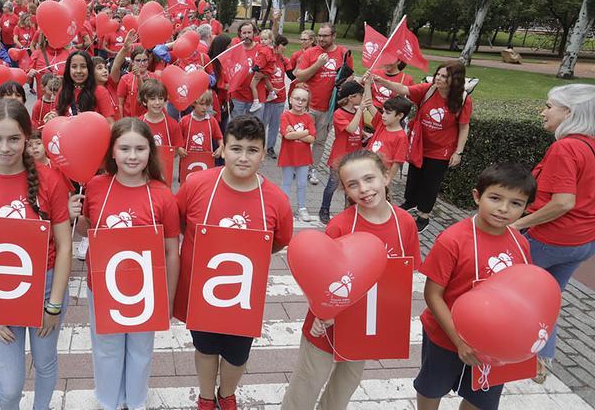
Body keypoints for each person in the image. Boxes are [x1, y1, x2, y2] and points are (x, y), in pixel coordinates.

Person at [0, 99, 72, 410]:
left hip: (46, 287)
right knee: (9, 388)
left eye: (13, 139)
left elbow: (63, 244)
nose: (4, 147)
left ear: (27, 139)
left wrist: (55, 304)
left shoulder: (50, 180)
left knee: (46, 363)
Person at [282, 150, 420, 410]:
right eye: (353, 184)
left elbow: (405, 276)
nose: (364, 189)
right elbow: (319, 277)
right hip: (325, 327)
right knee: (306, 385)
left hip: (365, 327)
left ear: (386, 177)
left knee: (344, 388)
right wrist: (324, 315)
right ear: (345, 190)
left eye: (369, 179)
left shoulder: (405, 224)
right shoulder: (340, 226)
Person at [174, 116, 294, 410]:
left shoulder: (276, 200)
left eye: (252, 150)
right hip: (201, 289)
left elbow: (278, 242)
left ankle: (226, 393)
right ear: (222, 149)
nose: (243, 157)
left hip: (243, 295)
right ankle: (205, 395)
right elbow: (180, 224)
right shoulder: (197, 185)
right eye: (235, 148)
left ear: (264, 153)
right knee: (204, 348)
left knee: (237, 354)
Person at [67, 117, 181, 410]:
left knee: (141, 348)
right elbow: (86, 231)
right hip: (103, 285)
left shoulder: (162, 194)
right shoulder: (95, 186)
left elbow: (171, 250)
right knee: (107, 347)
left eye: (140, 149)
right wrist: (75, 218)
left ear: (150, 152)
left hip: (146, 288)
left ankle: (137, 399)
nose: (132, 156)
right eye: (125, 148)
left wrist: (168, 297)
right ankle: (108, 400)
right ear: (112, 152)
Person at [415, 163, 536, 410]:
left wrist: (531, 347)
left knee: (482, 396)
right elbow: (433, 294)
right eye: (495, 198)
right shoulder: (453, 240)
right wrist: (459, 340)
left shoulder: (520, 244)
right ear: (477, 196)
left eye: (516, 203)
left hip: (494, 344)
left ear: (525, 208)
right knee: (432, 387)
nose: (503, 209)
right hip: (445, 337)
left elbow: (524, 295)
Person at [511, 84, 595, 383]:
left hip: (551, 239)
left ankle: (512, 349)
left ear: (569, 113)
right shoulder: (591, 145)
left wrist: (517, 225)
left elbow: (563, 202)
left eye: (549, 106)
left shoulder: (566, 147)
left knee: (514, 291)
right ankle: (541, 356)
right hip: (582, 242)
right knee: (549, 297)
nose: (543, 111)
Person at [374, 61, 472, 232]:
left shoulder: (462, 100)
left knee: (430, 183)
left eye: (444, 76)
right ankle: (410, 201)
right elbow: (404, 89)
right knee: (414, 176)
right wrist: (382, 81)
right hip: (419, 143)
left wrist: (459, 152)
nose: (438, 79)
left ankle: (424, 215)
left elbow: (464, 126)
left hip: (441, 149)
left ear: (454, 80)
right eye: (438, 74)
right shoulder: (428, 89)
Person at [292, 23, 353, 185]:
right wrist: (318, 65)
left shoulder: (343, 53)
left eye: (325, 36)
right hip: (308, 105)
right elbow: (301, 76)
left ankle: (312, 169)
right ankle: (298, 167)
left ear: (333, 36)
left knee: (320, 141)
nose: (321, 39)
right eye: (319, 35)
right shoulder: (311, 53)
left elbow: (349, 79)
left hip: (329, 107)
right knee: (301, 138)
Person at [318, 80, 369, 225]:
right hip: (340, 157)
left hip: (355, 157)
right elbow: (350, 129)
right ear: (352, 97)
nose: (362, 98)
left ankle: (348, 211)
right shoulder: (339, 113)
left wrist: (364, 134)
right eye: (360, 95)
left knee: (351, 187)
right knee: (332, 185)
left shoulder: (357, 112)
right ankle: (324, 209)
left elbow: (357, 129)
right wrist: (360, 111)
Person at [278, 87, 316, 222]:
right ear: (291, 99)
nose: (300, 102)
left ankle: (302, 207)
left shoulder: (308, 118)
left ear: (307, 103)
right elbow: (287, 136)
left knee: (302, 183)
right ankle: (284, 208)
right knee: (287, 182)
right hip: (288, 155)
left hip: (303, 156)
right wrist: (304, 132)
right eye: (297, 99)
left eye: (304, 100)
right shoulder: (285, 116)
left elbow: (312, 139)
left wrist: (295, 133)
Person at [54, 50, 115, 122]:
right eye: (74, 67)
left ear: (89, 69)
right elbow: (58, 118)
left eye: (83, 66)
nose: (78, 71)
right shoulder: (62, 92)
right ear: (68, 70)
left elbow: (110, 123)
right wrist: (52, 116)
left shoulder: (100, 91)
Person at [114, 32, 157, 119]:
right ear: (132, 62)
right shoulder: (125, 79)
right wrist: (122, 122)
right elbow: (120, 104)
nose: (142, 63)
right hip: (130, 121)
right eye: (138, 60)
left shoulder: (155, 77)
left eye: (145, 60)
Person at [228, 22, 262, 121]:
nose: (247, 35)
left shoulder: (260, 49)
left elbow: (270, 68)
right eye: (244, 33)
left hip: (255, 97)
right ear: (240, 34)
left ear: (254, 33)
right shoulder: (234, 49)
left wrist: (263, 75)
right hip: (237, 96)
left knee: (253, 130)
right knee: (236, 128)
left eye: (249, 32)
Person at [179, 90, 224, 157]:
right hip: (187, 159)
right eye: (202, 104)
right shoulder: (184, 120)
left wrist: (220, 148)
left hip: (206, 160)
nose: (205, 108)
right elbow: (176, 139)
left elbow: (220, 138)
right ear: (193, 103)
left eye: (207, 105)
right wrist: (179, 148)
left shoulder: (212, 121)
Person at [249, 30, 280, 113]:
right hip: (268, 70)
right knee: (266, 80)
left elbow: (261, 62)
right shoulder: (269, 48)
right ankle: (272, 92)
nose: (263, 41)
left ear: (270, 40)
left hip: (262, 70)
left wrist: (253, 68)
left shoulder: (264, 51)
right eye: (261, 39)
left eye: (265, 39)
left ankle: (256, 102)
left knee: (252, 85)